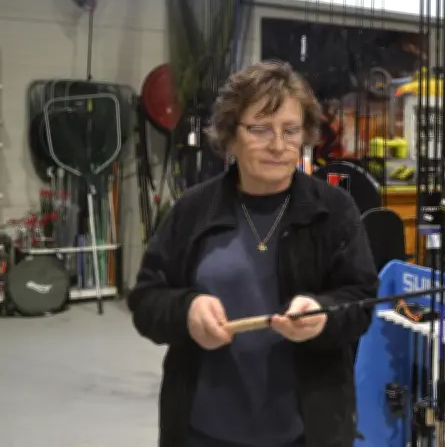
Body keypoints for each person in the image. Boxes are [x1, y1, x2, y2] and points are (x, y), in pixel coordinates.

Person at [127, 60, 378, 447]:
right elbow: (146, 299)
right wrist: (187, 311)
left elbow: (360, 300)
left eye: (290, 131)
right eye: (260, 129)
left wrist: (322, 313)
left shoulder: (334, 211)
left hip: (306, 432)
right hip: (202, 432)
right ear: (231, 136)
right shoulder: (193, 210)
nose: (278, 145)